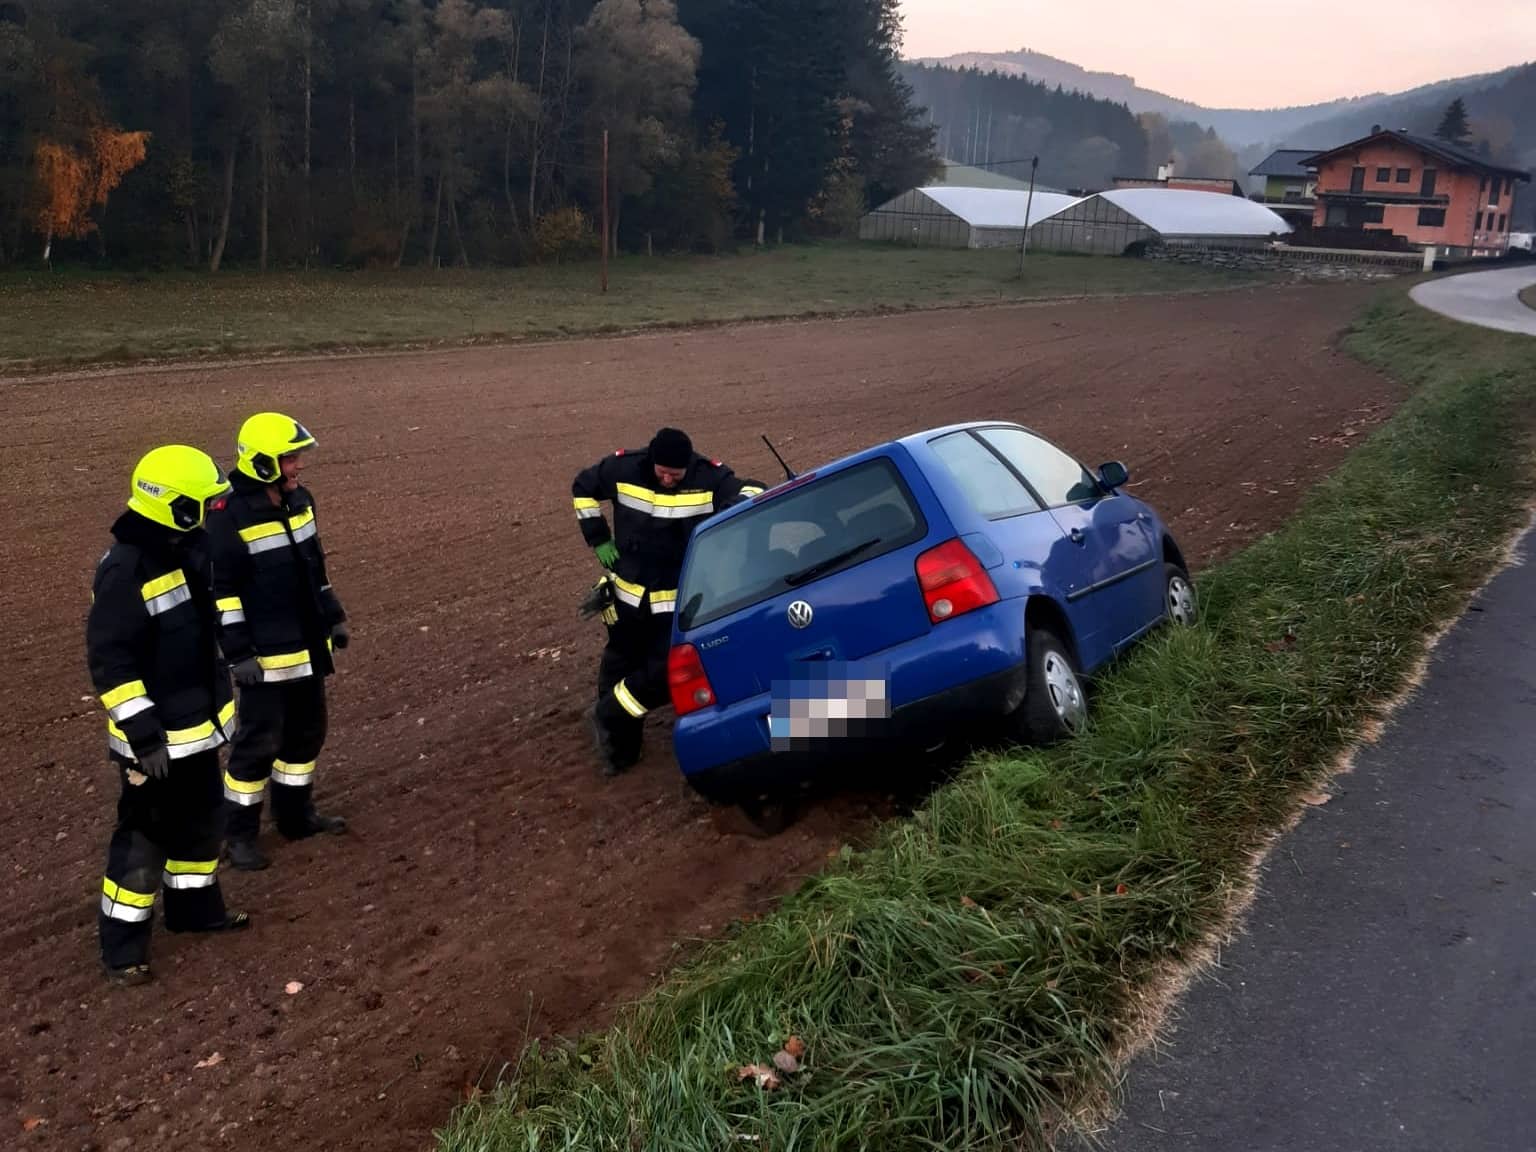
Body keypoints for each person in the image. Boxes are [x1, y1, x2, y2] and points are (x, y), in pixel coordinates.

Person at [88, 444, 251, 986]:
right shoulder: (125, 571)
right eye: (203, 503)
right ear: (175, 508)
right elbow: (112, 664)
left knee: (203, 825)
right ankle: (123, 949)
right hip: (156, 744)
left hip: (198, 731)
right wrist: (143, 737)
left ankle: (195, 914)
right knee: (143, 842)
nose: (213, 511)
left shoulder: (191, 549)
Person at [571, 427, 763, 775]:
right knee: (616, 668)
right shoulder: (623, 469)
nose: (669, 480)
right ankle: (621, 755)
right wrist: (598, 537)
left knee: (661, 675)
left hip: (675, 606)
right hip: (627, 602)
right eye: (663, 473)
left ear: (688, 466)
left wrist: (730, 511)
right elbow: (582, 487)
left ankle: (610, 711)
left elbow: (755, 488)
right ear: (651, 461)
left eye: (676, 475)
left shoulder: (709, 476)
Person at [208, 412, 350, 870]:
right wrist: (239, 654)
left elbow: (316, 569)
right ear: (264, 463)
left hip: (308, 645)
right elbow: (221, 593)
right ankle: (240, 836)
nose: (298, 467)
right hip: (265, 657)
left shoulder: (300, 501)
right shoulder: (228, 516)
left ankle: (295, 816)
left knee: (307, 736)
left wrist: (334, 617)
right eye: (290, 459)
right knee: (256, 746)